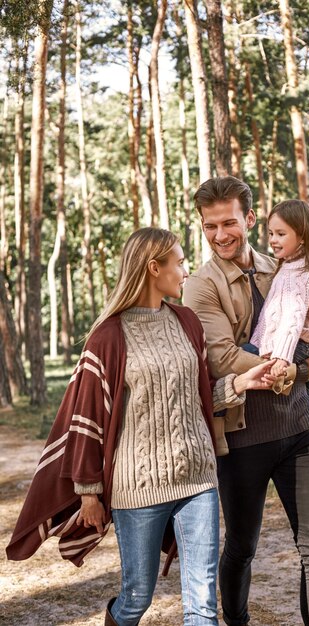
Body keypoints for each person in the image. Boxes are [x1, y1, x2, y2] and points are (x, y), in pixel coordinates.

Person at [7, 227, 278, 626]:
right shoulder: (108, 336)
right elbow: (87, 418)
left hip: (199, 479)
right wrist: (88, 493)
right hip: (139, 488)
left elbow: (199, 396)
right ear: (154, 268)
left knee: (202, 603)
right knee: (137, 597)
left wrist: (241, 382)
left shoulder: (187, 322)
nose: (186, 271)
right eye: (180, 262)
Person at [183, 177, 309, 626]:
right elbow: (224, 360)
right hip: (242, 438)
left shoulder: (284, 261)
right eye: (210, 226)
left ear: (249, 219)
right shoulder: (200, 286)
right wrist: (300, 365)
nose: (221, 235)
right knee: (241, 545)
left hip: (300, 428)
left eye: (229, 222)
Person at [248, 199, 309, 394]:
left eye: (281, 234)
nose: (273, 240)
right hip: (306, 348)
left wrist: (282, 358)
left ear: (302, 237)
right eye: (271, 233)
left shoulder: (300, 273)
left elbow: (292, 320)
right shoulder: (304, 265)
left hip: (297, 349)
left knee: (241, 359)